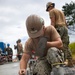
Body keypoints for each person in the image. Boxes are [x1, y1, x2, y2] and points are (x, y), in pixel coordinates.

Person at [46, 2, 73, 66]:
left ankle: (60, 62)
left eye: (48, 9)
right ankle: (70, 62)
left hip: (58, 28)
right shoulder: (61, 12)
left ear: (49, 7)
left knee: (56, 44)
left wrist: (51, 31)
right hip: (65, 28)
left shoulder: (52, 11)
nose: (48, 11)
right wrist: (66, 30)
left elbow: (53, 22)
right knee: (65, 45)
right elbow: (65, 23)